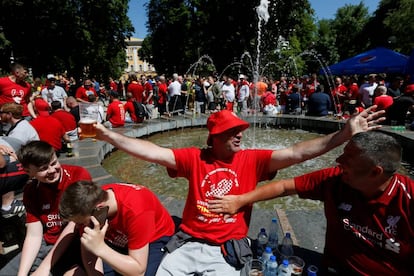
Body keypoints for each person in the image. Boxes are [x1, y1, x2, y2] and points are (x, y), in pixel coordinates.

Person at [87, 107, 384, 275]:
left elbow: (297, 153)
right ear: (215, 137)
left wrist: (344, 134)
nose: (241, 133)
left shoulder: (252, 160)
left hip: (226, 249)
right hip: (188, 241)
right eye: (232, 131)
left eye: (240, 129)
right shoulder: (195, 158)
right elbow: (152, 152)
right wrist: (109, 135)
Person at [208, 131, 413, 275]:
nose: (338, 161)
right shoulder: (335, 179)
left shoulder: (408, 199)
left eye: (348, 158)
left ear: (375, 172)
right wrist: (240, 200)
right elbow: (284, 186)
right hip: (333, 268)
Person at [0, 141, 94, 275]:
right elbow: (34, 235)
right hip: (47, 245)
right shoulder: (31, 191)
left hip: (77, 245)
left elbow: (74, 226)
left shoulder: (77, 176)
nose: (52, 170)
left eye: (54, 163)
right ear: (28, 171)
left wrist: (45, 267)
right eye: (43, 169)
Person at [59, 180, 175, 276]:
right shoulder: (92, 200)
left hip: (153, 239)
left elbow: (138, 271)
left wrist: (100, 248)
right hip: (117, 238)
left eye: (81, 223)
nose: (81, 227)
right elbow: (88, 247)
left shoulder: (137, 210)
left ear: (99, 209)